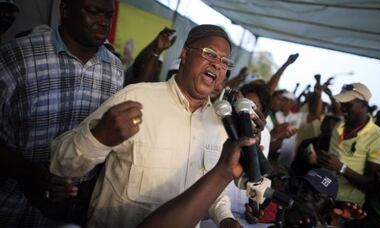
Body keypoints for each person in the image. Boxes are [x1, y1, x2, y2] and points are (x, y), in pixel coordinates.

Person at [50, 24, 242, 227]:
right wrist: (99, 138)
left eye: (225, 61)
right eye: (210, 54)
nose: (218, 65)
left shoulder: (219, 124)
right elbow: (61, 164)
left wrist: (225, 218)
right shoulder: (136, 98)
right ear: (185, 54)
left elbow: (211, 185)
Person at [0, 0, 123, 226]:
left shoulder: (115, 70)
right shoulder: (18, 55)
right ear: (65, 10)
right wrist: (27, 172)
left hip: (73, 210)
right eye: (93, 12)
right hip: (13, 203)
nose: (104, 22)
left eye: (109, 15)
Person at [318, 83, 380, 216]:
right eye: (342, 104)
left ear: (364, 105)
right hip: (321, 196)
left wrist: (341, 168)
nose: (343, 108)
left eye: (348, 105)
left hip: (347, 207)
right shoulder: (339, 126)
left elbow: (372, 184)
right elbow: (331, 163)